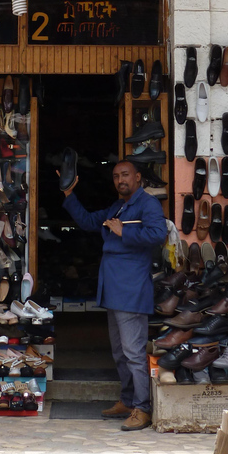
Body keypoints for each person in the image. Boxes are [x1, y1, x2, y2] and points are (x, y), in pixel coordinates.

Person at [60, 160, 167, 431]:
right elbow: (86, 222)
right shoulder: (116, 207)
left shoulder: (148, 204)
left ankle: (142, 409)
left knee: (133, 352)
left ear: (138, 177)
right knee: (120, 352)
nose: (121, 180)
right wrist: (68, 193)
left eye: (126, 175)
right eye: (117, 176)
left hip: (131, 289)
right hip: (113, 288)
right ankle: (128, 401)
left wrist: (124, 230)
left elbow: (158, 234)